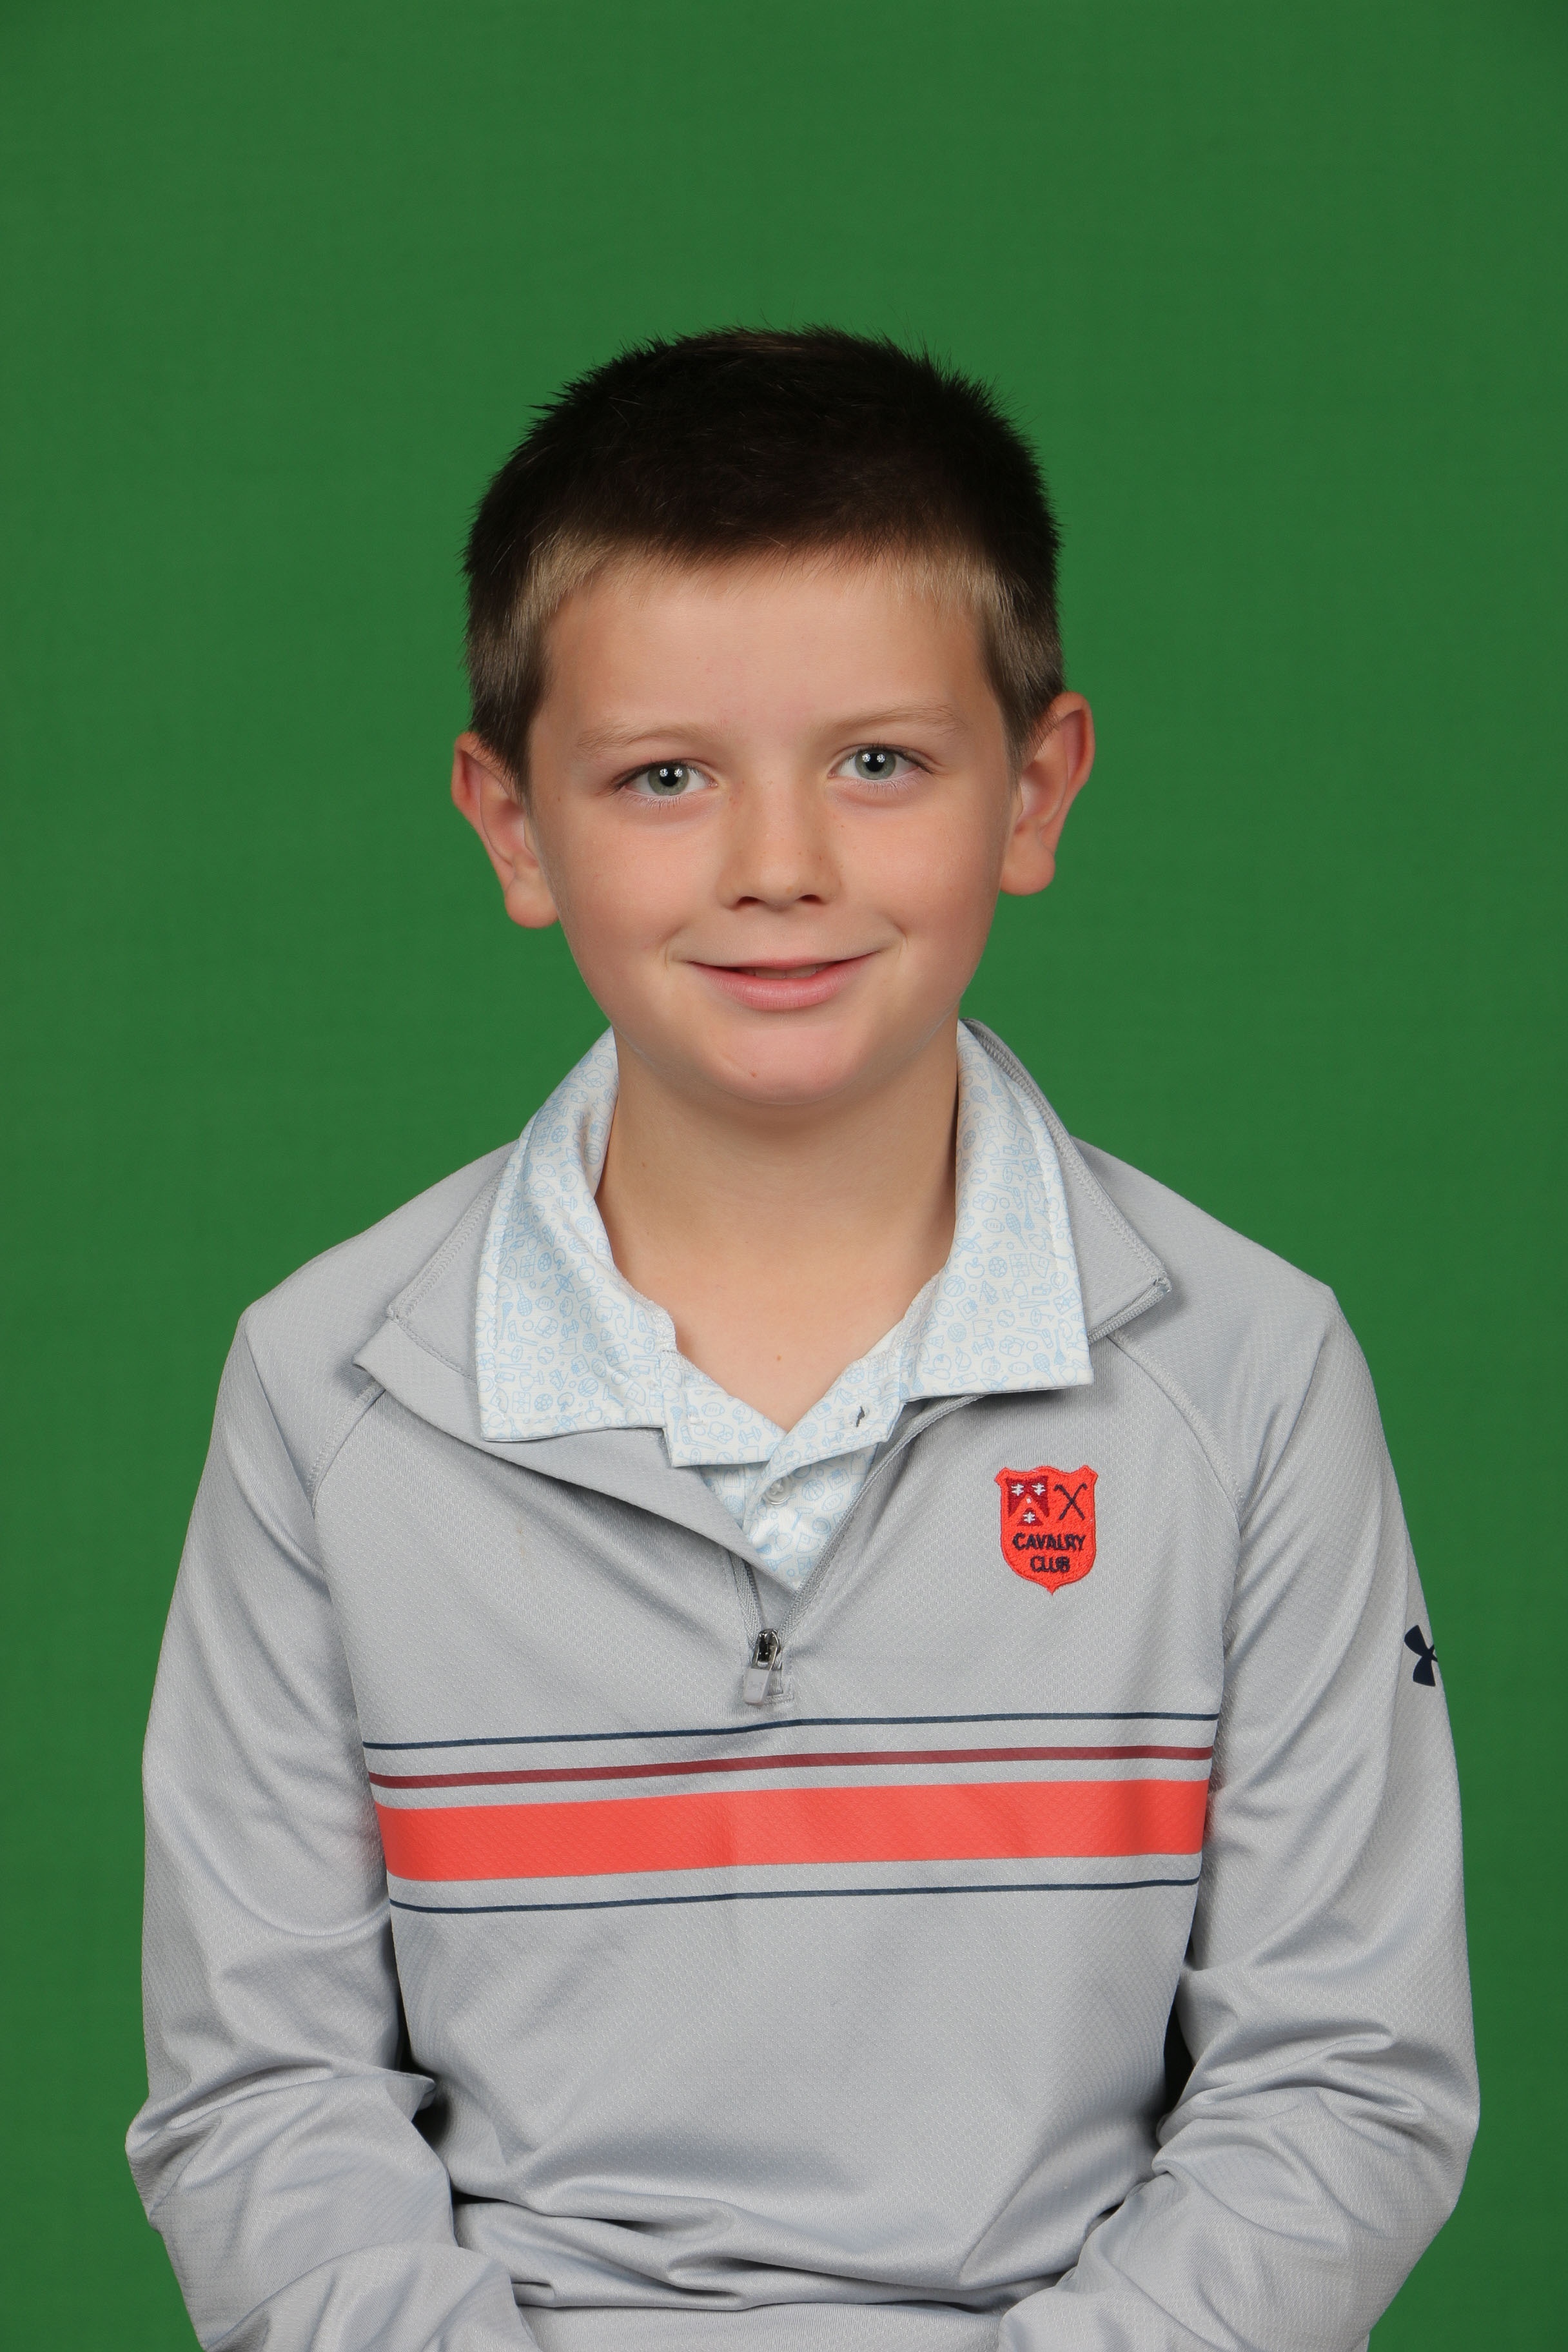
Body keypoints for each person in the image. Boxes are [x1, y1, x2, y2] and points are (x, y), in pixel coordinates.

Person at [126, 329, 1476, 2352]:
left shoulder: (1252, 1373)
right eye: (665, 777)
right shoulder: (329, 1389)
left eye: (880, 763)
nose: (780, 867)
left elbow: (1343, 2085)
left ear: (1036, 789)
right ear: (514, 824)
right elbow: (263, 2096)